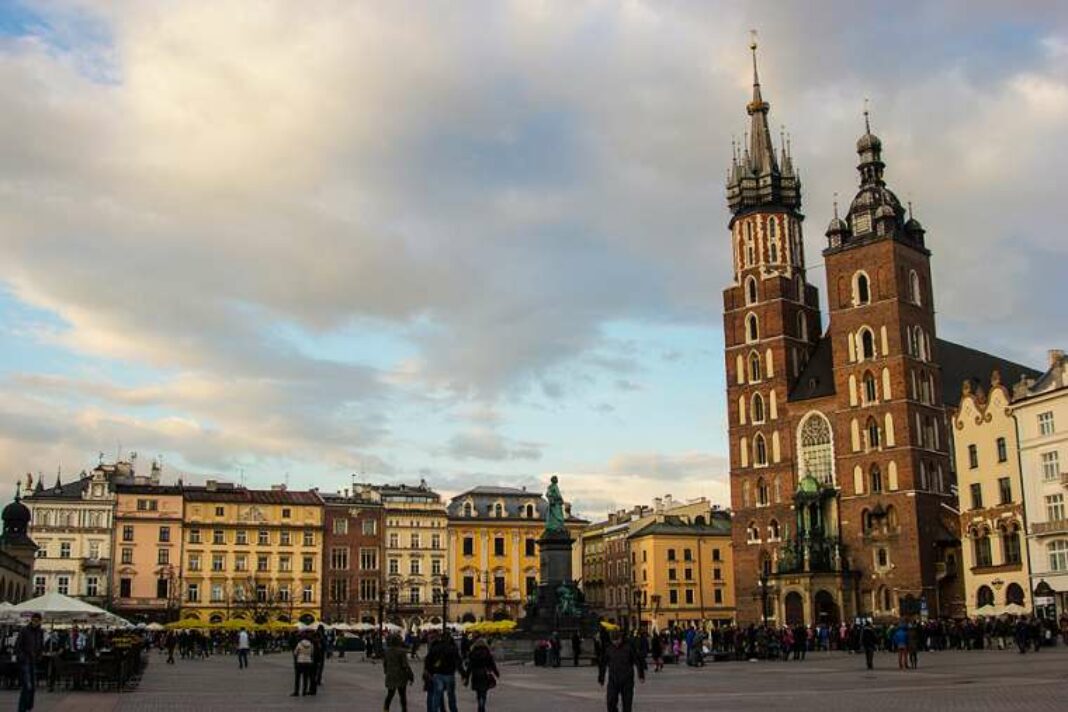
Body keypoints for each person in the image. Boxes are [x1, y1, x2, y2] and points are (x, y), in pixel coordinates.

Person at [598, 630, 645, 712]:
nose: (616, 643)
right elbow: (603, 663)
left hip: (627, 680)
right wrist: (601, 678)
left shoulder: (629, 646)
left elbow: (637, 660)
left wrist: (641, 675)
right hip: (613, 679)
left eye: (617, 640)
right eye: (614, 640)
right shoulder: (608, 648)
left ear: (621, 638)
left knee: (627, 704)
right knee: (610, 702)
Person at [425, 630, 465, 712]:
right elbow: (458, 662)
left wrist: (430, 671)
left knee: (437, 695)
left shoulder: (435, 647)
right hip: (449, 674)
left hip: (438, 674)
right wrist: (463, 674)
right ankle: (453, 710)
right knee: (451, 696)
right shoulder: (453, 648)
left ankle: (434, 710)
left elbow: (428, 660)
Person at [16, 613, 43, 712]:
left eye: (37, 621)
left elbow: (40, 645)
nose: (35, 622)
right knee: (27, 686)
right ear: (31, 620)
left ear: (40, 621)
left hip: (33, 661)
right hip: (25, 660)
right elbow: (18, 645)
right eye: (34, 620)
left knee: (32, 687)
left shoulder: (40, 632)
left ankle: (28, 707)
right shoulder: (24, 630)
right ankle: (22, 709)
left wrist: (39, 655)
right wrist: (22, 657)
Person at [464, 638, 499, 712]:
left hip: (475, 674)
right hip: (485, 673)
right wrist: (496, 673)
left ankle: (480, 703)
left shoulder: (473, 653)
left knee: (478, 692)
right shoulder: (487, 653)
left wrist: (466, 677)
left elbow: (470, 666)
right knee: (484, 691)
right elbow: (492, 664)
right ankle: (482, 704)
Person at [383, 634, 414, 711]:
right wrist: (410, 675)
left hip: (390, 675)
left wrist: (386, 672)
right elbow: (405, 665)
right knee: (402, 695)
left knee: (390, 694)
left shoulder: (387, 652)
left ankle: (386, 709)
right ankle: (404, 710)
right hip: (401, 676)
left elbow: (385, 664)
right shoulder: (401, 652)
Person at [292, 632, 315, 697]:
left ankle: (296, 691)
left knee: (298, 677)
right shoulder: (311, 644)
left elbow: (295, 652)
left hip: (300, 661)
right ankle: (304, 691)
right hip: (308, 661)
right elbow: (312, 653)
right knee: (305, 677)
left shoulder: (299, 644)